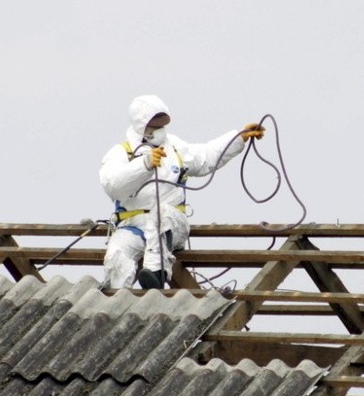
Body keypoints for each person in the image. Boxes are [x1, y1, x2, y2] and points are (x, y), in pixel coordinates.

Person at [100, 94, 264, 289]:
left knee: (162, 214)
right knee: (117, 253)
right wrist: (144, 165)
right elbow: (113, 186)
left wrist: (238, 138)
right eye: (156, 125)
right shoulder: (120, 153)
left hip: (171, 226)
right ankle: (115, 301)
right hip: (133, 227)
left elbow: (206, 156)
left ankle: (156, 274)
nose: (161, 129)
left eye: (163, 124)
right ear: (142, 126)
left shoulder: (175, 148)